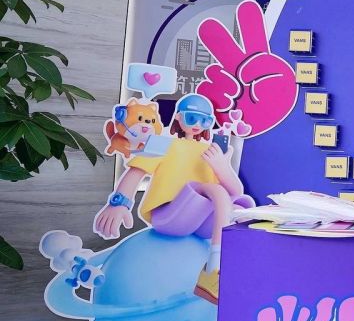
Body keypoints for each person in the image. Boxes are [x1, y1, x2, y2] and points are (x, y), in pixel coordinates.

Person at [93, 93, 251, 304]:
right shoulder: (163, 143)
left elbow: (236, 190)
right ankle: (213, 270)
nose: (198, 125)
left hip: (201, 221)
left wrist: (222, 167)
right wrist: (119, 205)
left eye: (205, 121)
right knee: (217, 192)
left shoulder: (211, 150)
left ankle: (233, 267)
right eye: (191, 118)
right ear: (178, 117)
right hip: (170, 215)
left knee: (239, 209)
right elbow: (136, 172)